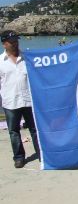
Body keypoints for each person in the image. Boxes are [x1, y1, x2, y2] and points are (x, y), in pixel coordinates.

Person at [0, 30, 40, 168]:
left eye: (16, 41)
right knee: (14, 131)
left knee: (35, 129)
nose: (15, 44)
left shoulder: (27, 58)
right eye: (12, 42)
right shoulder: (0, 62)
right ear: (4, 44)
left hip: (28, 100)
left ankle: (41, 154)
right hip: (10, 101)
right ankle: (19, 157)